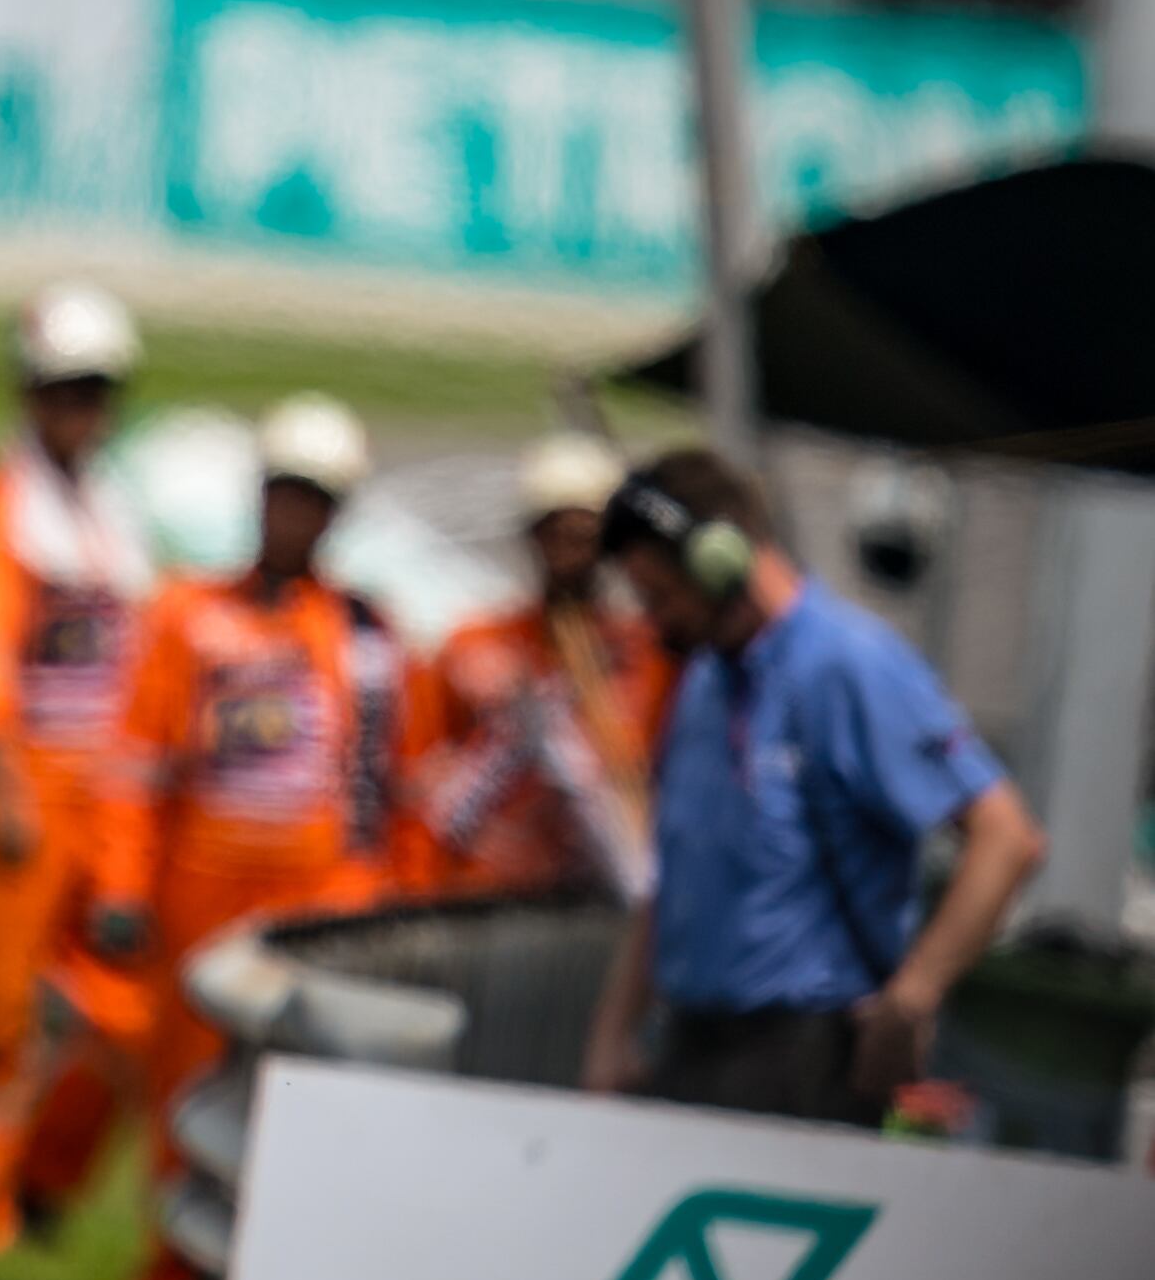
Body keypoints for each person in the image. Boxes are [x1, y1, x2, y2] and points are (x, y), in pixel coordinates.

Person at [580, 450, 1046, 1126]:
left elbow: (1006, 838)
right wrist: (612, 1033)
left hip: (802, 1058)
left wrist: (911, 996)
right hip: (688, 1045)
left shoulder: (848, 664)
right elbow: (671, 874)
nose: (654, 623)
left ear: (719, 559)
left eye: (658, 596)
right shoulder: (705, 681)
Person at [87, 398, 405, 1280]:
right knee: (186, 1105)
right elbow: (134, 766)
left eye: (315, 500)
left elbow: (385, 790)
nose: (294, 516)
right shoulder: (185, 612)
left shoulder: (366, 635)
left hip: (313, 903)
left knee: (299, 1113)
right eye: (283, 494)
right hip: (198, 894)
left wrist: (370, 902)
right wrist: (120, 886)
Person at [0, 282, 155, 1252]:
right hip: (1, 785)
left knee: (126, 1007)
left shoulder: (115, 517)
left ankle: (43, 1185)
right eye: (62, 388)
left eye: (95, 390)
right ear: (27, 392)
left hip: (101, 795)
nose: (80, 410)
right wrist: (7, 782)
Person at [406, 432, 668, 901]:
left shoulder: (645, 653)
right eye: (553, 533)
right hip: (489, 893)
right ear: (531, 536)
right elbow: (424, 776)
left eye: (582, 535)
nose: (567, 550)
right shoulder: (474, 647)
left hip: (603, 894)